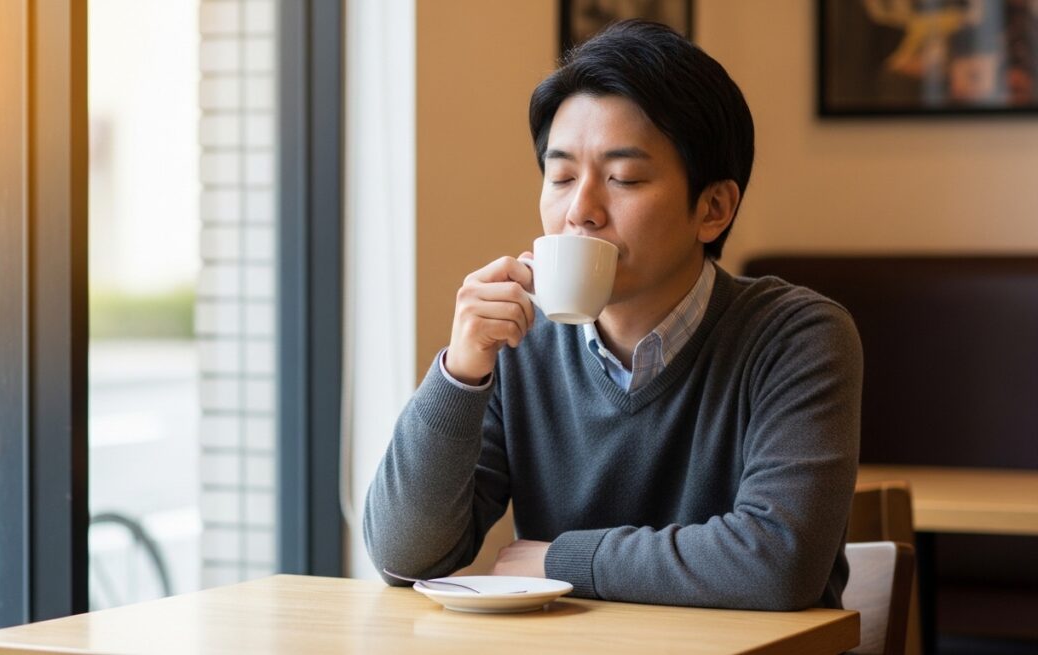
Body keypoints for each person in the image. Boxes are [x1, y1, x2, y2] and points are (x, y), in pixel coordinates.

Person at [363, 20, 862, 611]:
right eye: (562, 176)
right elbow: (405, 557)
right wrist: (461, 372)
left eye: (623, 178)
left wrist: (561, 559)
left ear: (714, 208)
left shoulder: (798, 336)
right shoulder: (523, 344)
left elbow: (779, 561)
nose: (582, 210)